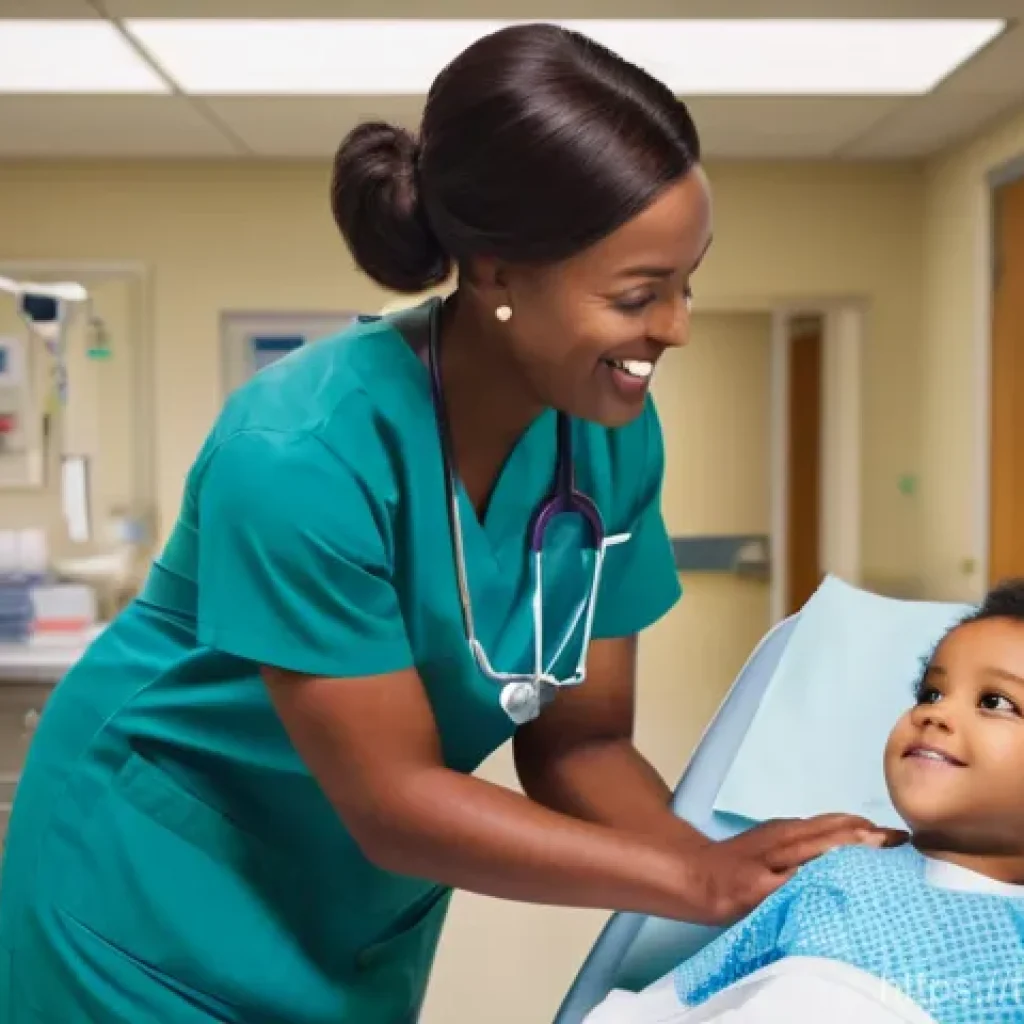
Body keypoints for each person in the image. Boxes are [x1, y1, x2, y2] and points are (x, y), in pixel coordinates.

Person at [0, 23, 896, 1024]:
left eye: (688, 282)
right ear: (498, 273)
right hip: (142, 897)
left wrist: (725, 873)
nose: (675, 327)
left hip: (350, 909)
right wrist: (695, 882)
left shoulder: (610, 439)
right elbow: (392, 800)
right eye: (639, 293)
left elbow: (581, 743)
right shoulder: (302, 450)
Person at [585, 580, 1024, 1024]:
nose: (935, 713)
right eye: (930, 693)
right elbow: (690, 989)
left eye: (995, 702)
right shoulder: (840, 870)